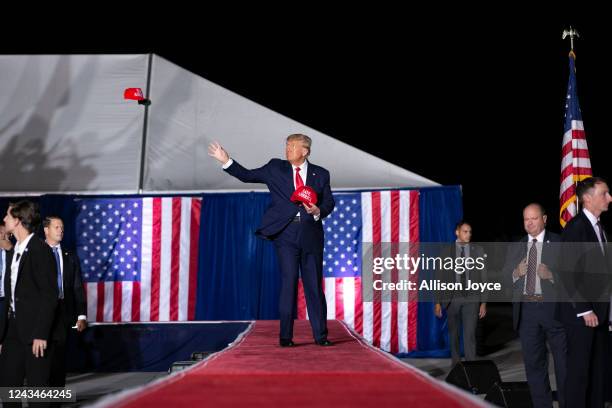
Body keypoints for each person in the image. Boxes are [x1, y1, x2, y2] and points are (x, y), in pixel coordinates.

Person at [208, 134, 335, 347]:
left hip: (311, 235)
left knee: (313, 286)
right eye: (286, 145)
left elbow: (329, 202)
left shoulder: (321, 173)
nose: (288, 149)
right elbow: (247, 175)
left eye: (293, 146)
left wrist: (317, 210)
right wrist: (226, 160)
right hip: (285, 234)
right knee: (289, 283)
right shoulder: (275, 168)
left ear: (305, 151)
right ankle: (286, 337)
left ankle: (321, 336)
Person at [504, 203, 566, 408]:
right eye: (526, 219)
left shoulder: (559, 242)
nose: (529, 223)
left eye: (534, 218)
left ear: (545, 219)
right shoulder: (517, 246)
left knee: (564, 365)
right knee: (534, 367)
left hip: (554, 312)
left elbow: (574, 280)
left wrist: (552, 276)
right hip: (527, 313)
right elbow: (504, 279)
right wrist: (516, 273)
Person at [557, 177, 612, 408]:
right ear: (587, 199)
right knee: (579, 374)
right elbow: (567, 272)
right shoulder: (576, 227)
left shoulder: (600, 228)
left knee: (598, 373)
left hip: (598, 314)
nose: (610, 198)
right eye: (605, 193)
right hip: (582, 317)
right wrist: (585, 309)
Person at [0, 201, 58, 404]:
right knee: (8, 390)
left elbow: (49, 296)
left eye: (7, 216)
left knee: (37, 393)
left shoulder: (40, 250)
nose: (4, 219)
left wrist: (41, 333)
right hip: (12, 331)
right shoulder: (15, 250)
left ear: (17, 221)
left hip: (35, 333)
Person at [434, 221, 487, 365]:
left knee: (470, 336)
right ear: (457, 232)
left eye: (470, 231)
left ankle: (471, 369)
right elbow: (439, 277)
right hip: (452, 299)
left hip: (472, 298)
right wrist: (438, 302)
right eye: (465, 231)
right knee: (454, 336)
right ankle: (456, 367)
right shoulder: (446, 251)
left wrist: (483, 302)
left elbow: (483, 278)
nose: (468, 234)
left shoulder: (478, 250)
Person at [44, 216, 87, 387]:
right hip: (41, 313)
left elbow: (77, 288)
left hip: (63, 314)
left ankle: (57, 401)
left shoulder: (70, 256)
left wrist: (81, 315)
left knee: (59, 362)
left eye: (62, 227)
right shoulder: (35, 253)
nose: (61, 230)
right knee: (42, 363)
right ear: (46, 230)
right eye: (56, 227)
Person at [0, 221, 14, 320]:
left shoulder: (10, 252)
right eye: (1, 232)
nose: (4, 236)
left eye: (7, 233)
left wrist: (10, 248)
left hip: (4, 299)